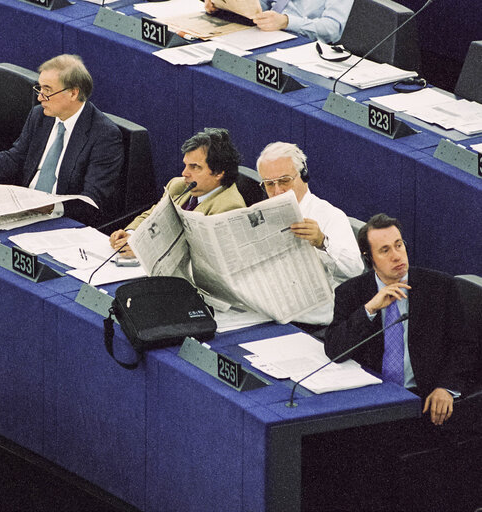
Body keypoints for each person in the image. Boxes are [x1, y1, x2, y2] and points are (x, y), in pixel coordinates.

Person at [0, 54, 123, 227]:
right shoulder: (40, 116)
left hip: (60, 220)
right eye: (39, 88)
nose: (40, 97)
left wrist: (49, 206)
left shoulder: (104, 135)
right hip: (22, 211)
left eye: (47, 90)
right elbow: (14, 158)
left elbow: (92, 200)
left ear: (73, 93)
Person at [325, 214, 476, 425]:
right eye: (385, 250)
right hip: (370, 400)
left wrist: (446, 387)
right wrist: (369, 309)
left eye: (399, 245)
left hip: (422, 399)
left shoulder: (440, 287)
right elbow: (335, 350)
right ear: (369, 258)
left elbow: (465, 346)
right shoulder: (351, 292)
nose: (397, 256)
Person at [256, 142, 363, 326]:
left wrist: (323, 242)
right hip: (267, 313)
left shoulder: (330, 216)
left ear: (303, 176)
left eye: (284, 181)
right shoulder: (262, 213)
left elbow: (355, 270)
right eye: (269, 184)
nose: (277, 191)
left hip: (310, 322)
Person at [109, 128, 245, 259]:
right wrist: (130, 235)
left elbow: (198, 258)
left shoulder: (229, 208)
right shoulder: (178, 186)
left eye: (195, 167)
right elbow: (150, 216)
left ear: (218, 173)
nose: (184, 173)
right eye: (185, 165)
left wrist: (144, 249)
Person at [204, 0, 354, 43]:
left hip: (301, 42)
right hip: (266, 34)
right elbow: (262, 5)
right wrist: (224, 6)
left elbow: (332, 29)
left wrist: (286, 21)